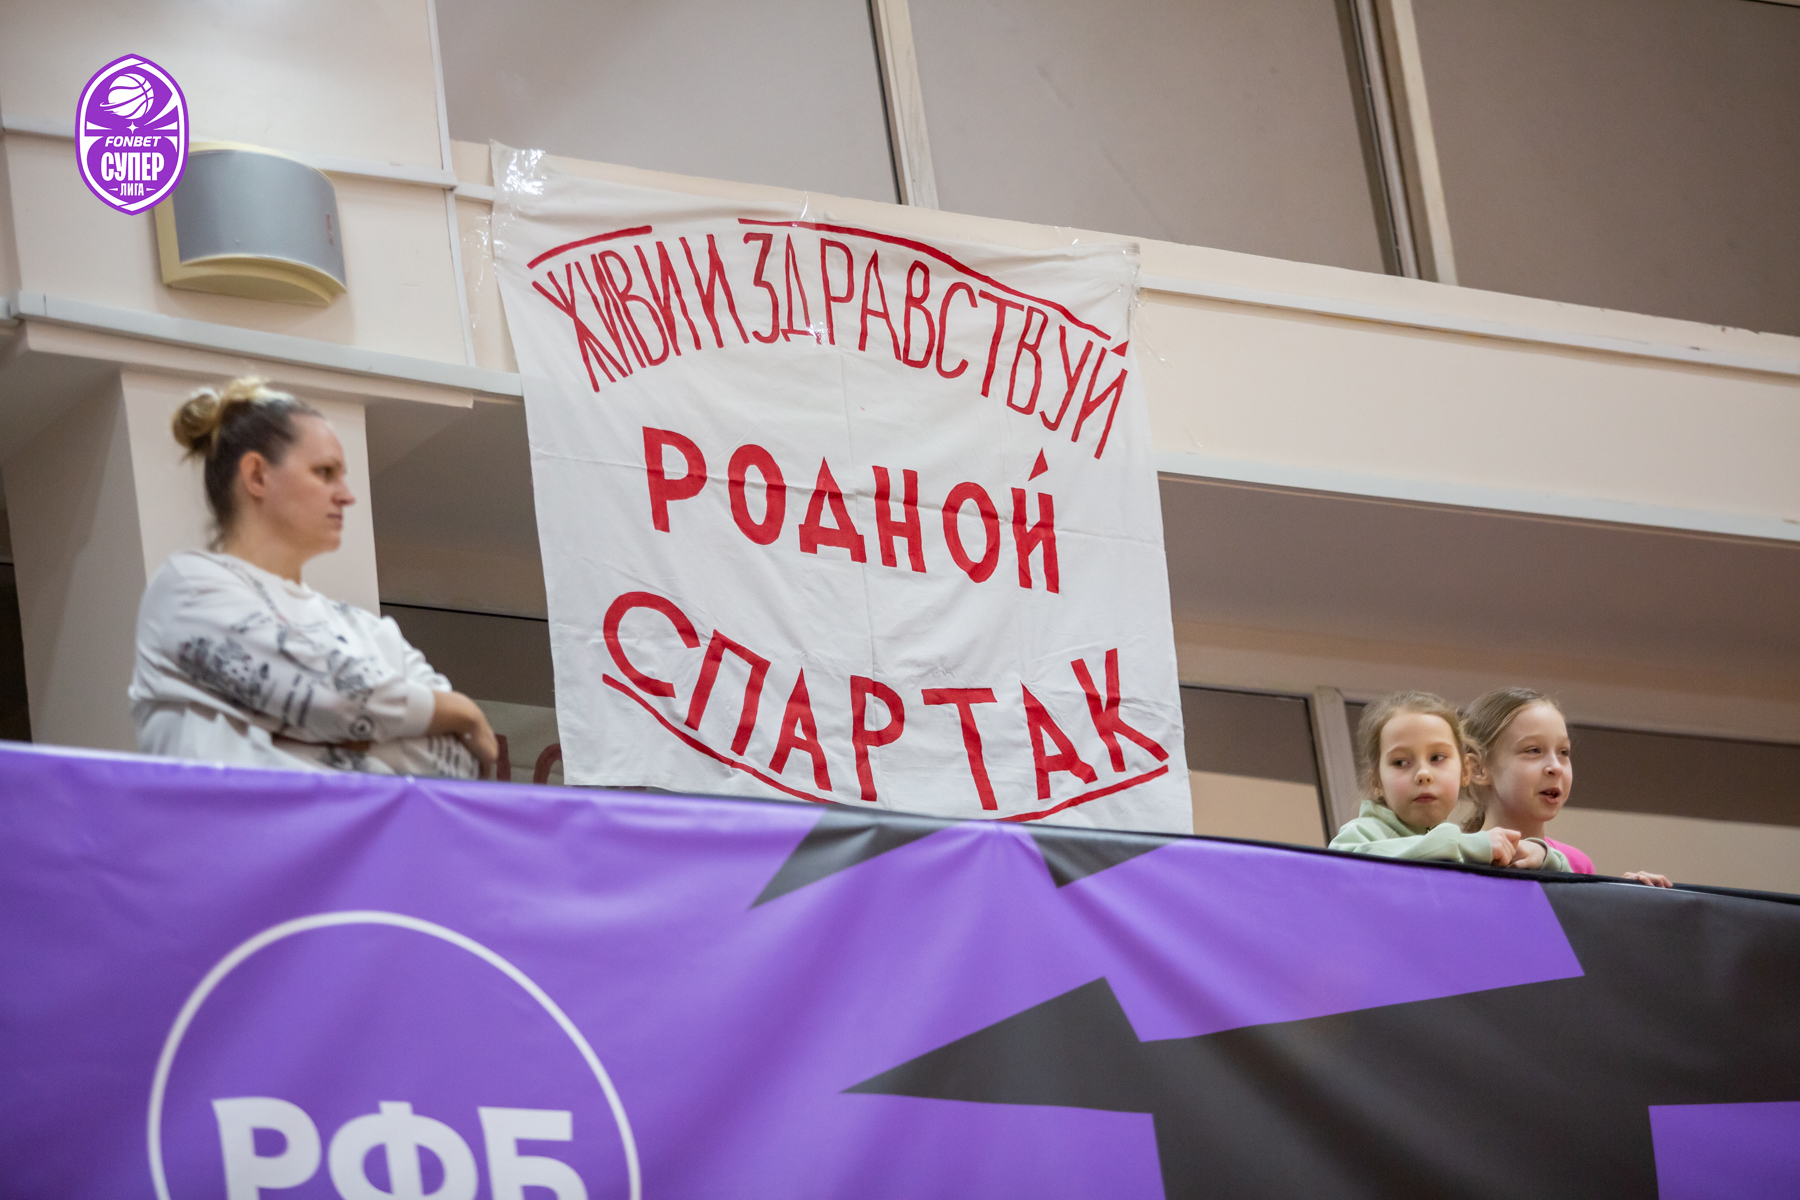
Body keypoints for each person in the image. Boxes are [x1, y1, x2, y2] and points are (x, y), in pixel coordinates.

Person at [130, 377, 497, 778]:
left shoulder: (371, 633)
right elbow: (334, 696)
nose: (347, 495)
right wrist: (461, 710)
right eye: (325, 472)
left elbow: (461, 761)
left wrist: (296, 724)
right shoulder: (187, 589)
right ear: (257, 476)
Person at [1329, 690, 1568, 871]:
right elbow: (1342, 864)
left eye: (1437, 758)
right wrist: (1467, 846)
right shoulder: (1362, 834)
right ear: (1376, 782)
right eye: (1400, 762)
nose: (1423, 774)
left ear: (1465, 771)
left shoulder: (1464, 847)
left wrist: (1542, 856)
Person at [1462, 687, 1671, 886]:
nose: (1555, 767)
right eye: (1533, 750)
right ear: (1478, 769)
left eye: (1563, 752)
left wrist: (1630, 896)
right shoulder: (1458, 856)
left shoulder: (1577, 864)